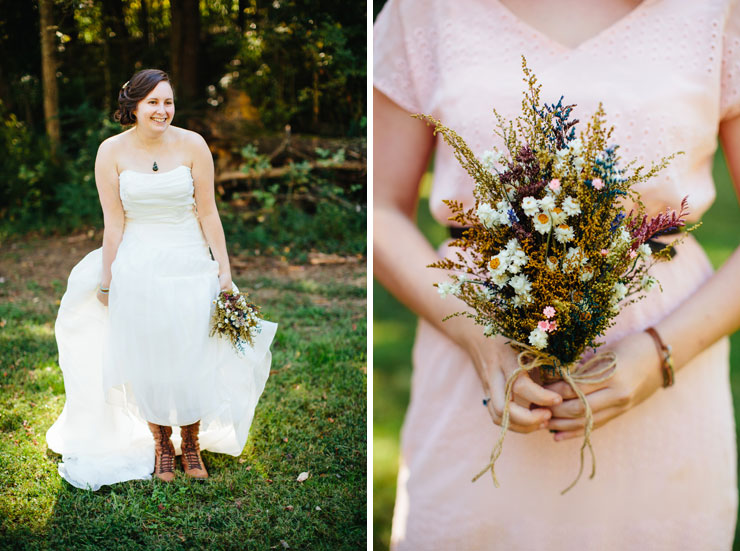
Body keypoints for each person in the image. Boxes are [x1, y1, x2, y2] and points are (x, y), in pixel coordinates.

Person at [374, 0, 740, 548]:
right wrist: (479, 338)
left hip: (670, 375)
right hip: (478, 380)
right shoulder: (424, 10)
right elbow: (378, 208)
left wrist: (658, 353)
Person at [46, 69, 277, 490]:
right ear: (132, 107)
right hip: (138, 264)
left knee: (191, 351)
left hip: (190, 261)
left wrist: (223, 270)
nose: (162, 110)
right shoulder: (110, 152)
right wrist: (107, 281)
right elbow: (113, 223)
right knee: (149, 353)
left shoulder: (193, 145)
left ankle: (191, 441)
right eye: (153, 102)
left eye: (168, 102)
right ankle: (160, 443)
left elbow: (208, 212)